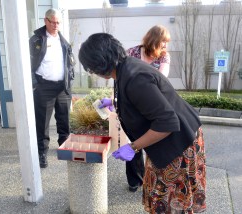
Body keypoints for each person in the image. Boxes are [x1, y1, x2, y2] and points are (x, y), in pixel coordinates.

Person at [79, 33, 206, 213]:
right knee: (158, 195)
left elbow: (167, 122)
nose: (92, 72)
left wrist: (133, 147)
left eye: (90, 68)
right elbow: (139, 102)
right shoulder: (123, 67)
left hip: (180, 142)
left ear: (99, 64)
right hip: (165, 141)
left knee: (171, 201)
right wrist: (115, 102)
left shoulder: (135, 78)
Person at [100, 25, 171, 192]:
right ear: (154, 40)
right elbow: (119, 79)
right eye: (163, 42)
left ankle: (154, 180)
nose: (165, 46)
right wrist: (113, 100)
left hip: (151, 106)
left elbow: (161, 79)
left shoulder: (164, 57)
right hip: (131, 107)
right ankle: (135, 180)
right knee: (132, 144)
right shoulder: (131, 52)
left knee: (151, 143)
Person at [29, 8, 75, 168]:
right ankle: (42, 153)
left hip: (62, 87)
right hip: (44, 87)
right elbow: (29, 64)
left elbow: (70, 63)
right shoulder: (36, 40)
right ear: (45, 21)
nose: (56, 25)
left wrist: (70, 82)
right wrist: (35, 84)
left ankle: (65, 145)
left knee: (64, 120)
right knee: (42, 123)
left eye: (58, 22)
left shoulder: (63, 40)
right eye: (53, 22)